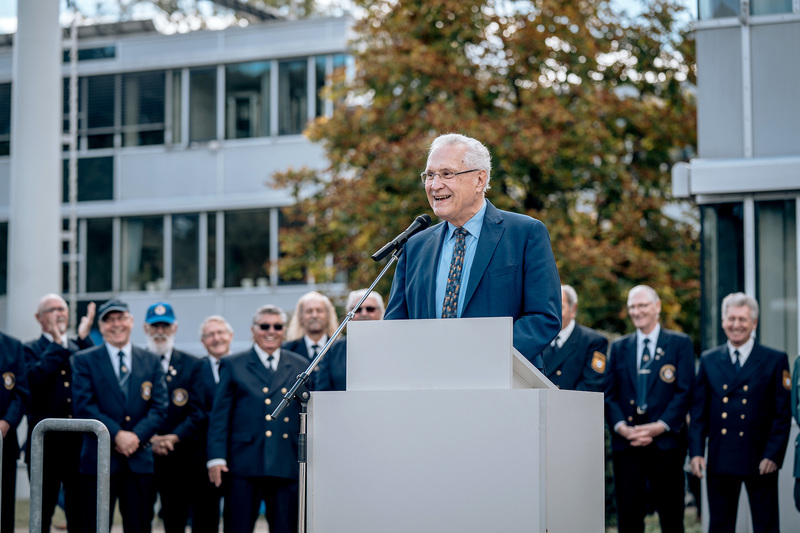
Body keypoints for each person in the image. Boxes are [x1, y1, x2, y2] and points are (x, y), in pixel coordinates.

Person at [383, 133, 561, 370]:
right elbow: (395, 325)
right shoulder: (415, 245)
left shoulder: (525, 234)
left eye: (447, 174)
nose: (435, 185)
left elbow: (543, 317)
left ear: (479, 180)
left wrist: (480, 360)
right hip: (427, 384)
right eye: (430, 175)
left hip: (503, 384)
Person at [689, 292, 791, 533]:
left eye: (743, 319)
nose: (736, 325)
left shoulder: (774, 359)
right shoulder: (708, 360)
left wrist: (773, 455)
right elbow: (698, 412)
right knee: (720, 526)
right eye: (731, 318)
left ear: (754, 323)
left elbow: (782, 414)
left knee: (766, 525)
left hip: (760, 459)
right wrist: (695, 452)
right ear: (723, 321)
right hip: (720, 457)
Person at [207, 305, 307, 533]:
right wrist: (216, 458)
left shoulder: (300, 366)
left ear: (284, 331)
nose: (270, 331)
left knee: (285, 527)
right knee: (238, 526)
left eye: (277, 326)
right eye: (264, 326)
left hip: (285, 460)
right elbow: (220, 416)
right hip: (244, 462)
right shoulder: (233, 364)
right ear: (253, 330)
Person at [71, 299, 168, 533]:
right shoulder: (84, 360)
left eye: (121, 318)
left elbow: (159, 407)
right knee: (93, 526)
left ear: (131, 321)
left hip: (139, 460)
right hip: (98, 461)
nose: (116, 325)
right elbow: (84, 406)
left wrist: (136, 436)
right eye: (109, 320)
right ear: (101, 326)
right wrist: (116, 435)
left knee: (139, 526)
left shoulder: (151, 360)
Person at [604, 285, 694, 533]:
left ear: (657, 307)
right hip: (628, 446)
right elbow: (609, 394)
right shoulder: (620, 347)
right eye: (632, 306)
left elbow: (685, 391)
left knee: (671, 517)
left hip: (666, 446)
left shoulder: (679, 343)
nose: (636, 311)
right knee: (629, 517)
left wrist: (658, 427)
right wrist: (623, 429)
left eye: (642, 305)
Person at [23, 294, 94, 533]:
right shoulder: (30, 349)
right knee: (41, 513)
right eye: (52, 309)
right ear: (38, 317)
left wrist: (84, 339)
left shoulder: (79, 348)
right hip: (45, 446)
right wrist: (56, 345)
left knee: (80, 513)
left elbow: (98, 373)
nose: (58, 313)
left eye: (62, 308)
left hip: (78, 447)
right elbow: (32, 380)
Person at [143, 302, 206, 533]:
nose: (160, 331)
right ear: (145, 328)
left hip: (178, 457)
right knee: (138, 518)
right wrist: (149, 439)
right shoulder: (135, 362)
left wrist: (173, 437)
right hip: (142, 456)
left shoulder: (192, 365)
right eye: (155, 326)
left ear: (175, 328)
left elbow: (197, 411)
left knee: (175, 519)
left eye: (165, 326)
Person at [194, 315, 234, 533]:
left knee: (237, 518)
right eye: (210, 335)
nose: (216, 338)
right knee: (204, 518)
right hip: (201, 457)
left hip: (237, 456)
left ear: (230, 336)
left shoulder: (241, 367)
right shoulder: (194, 369)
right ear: (203, 342)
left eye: (220, 333)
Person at [542, 284, 608, 391]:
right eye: (550, 306)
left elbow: (592, 385)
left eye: (560, 307)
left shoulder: (594, 342)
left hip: (573, 406)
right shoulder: (540, 340)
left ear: (573, 309)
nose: (554, 312)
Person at [316, 289, 385, 391]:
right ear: (348, 314)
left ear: (381, 312)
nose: (364, 313)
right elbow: (322, 391)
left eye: (370, 309)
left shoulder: (392, 346)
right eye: (357, 309)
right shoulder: (333, 349)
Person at [0, 330, 28, 533]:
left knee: (4, 506)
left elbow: (21, 392)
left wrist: (7, 422)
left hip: (4, 442)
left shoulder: (13, 345)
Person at [283, 291, 338, 387]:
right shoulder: (287, 350)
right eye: (309, 311)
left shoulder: (339, 350)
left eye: (319, 311)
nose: (314, 315)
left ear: (328, 316)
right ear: (300, 317)